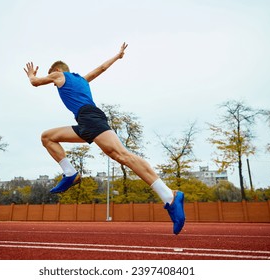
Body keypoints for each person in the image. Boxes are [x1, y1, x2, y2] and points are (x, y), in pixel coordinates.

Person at [24, 43, 185, 235]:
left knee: (122, 155)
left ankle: (169, 196)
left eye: (53, 78)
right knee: (48, 137)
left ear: (57, 70)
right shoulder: (82, 80)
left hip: (90, 118)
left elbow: (35, 83)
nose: (53, 82)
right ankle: (70, 174)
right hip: (85, 122)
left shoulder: (59, 74)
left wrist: (31, 75)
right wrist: (117, 56)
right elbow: (101, 68)